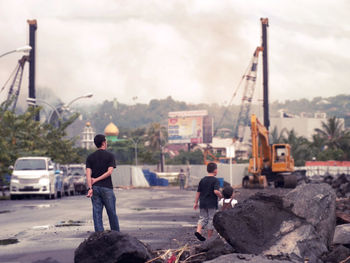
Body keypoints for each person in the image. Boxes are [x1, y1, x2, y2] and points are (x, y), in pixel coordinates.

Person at [86, 134, 120, 232]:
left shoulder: (90, 157)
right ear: (104, 143)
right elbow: (109, 172)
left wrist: (90, 188)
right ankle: (116, 235)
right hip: (107, 188)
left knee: (97, 214)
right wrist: (96, 180)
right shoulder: (110, 156)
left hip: (95, 189)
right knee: (112, 213)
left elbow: (88, 175)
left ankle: (99, 236)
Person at [193, 162, 222, 241]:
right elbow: (216, 191)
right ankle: (209, 239)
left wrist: (195, 203)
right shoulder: (215, 180)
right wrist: (221, 196)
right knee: (211, 219)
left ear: (207, 170)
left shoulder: (202, 180)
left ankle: (198, 231)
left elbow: (198, 192)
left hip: (202, 202)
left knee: (202, 218)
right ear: (215, 171)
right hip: (212, 203)